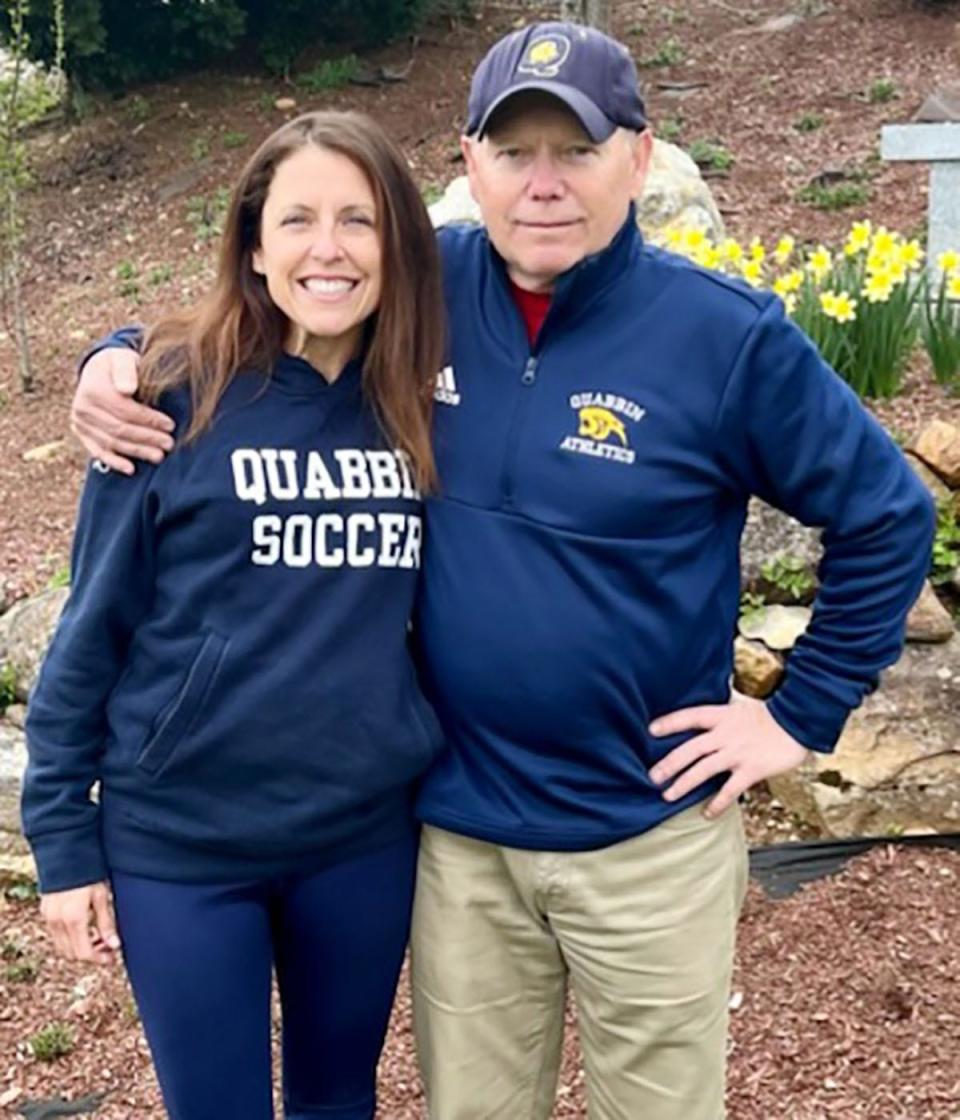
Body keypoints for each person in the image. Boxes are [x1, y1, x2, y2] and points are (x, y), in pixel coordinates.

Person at [68, 21, 936, 1120]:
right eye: (512, 151)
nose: (542, 184)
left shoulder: (727, 340)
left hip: (645, 837)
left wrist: (798, 716)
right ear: (468, 162)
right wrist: (120, 352)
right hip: (461, 842)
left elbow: (889, 517)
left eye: (575, 149)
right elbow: (286, 282)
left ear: (639, 153)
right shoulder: (428, 285)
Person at [23, 109, 446, 1120]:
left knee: (337, 1101)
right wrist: (62, 844)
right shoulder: (169, 398)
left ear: (398, 243)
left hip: (359, 838)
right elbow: (91, 630)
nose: (329, 249)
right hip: (185, 844)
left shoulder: (427, 404)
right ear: (254, 244)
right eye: (297, 219)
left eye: (359, 219)